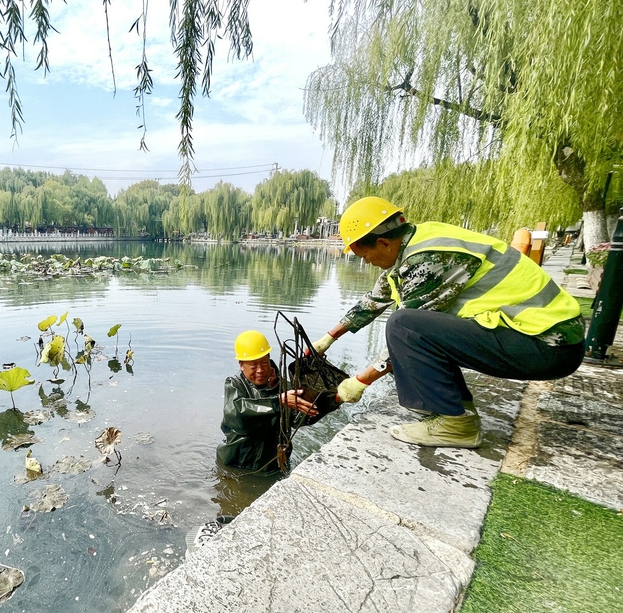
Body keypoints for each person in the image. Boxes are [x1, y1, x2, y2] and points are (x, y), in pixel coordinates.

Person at [310, 196, 584, 448]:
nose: (366, 262)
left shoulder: (428, 259)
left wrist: (359, 381)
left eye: (363, 255)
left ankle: (455, 424)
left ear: (383, 243)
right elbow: (374, 299)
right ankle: (455, 412)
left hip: (546, 344)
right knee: (407, 331)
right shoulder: (414, 245)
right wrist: (327, 339)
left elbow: (409, 335)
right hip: (532, 336)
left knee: (402, 326)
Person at [216, 330, 318, 472]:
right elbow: (235, 414)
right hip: (236, 463)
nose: (260, 370)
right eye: (253, 365)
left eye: (264, 363)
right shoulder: (235, 384)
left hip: (273, 465)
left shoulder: (285, 388)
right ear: (241, 365)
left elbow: (299, 420)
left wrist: (328, 400)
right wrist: (277, 402)